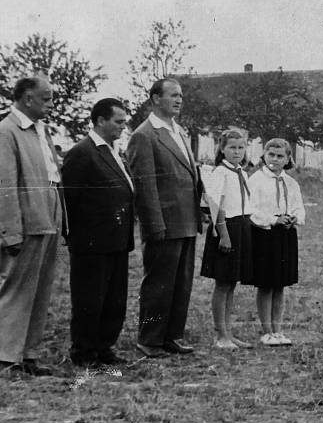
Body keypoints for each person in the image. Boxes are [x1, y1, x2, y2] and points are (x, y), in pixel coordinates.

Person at [127, 78, 203, 358]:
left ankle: (172, 335)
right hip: (164, 223)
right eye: (173, 95)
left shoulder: (179, 132)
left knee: (181, 283)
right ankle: (149, 338)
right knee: (158, 283)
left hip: (186, 221)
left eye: (181, 95)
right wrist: (154, 225)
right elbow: (145, 187)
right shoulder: (144, 135)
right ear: (155, 99)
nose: (179, 100)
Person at [62, 98, 134, 367]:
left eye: (124, 122)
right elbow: (71, 199)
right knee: (89, 299)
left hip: (116, 239)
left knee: (114, 299)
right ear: (100, 120)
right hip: (92, 242)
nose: (122, 128)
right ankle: (85, 352)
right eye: (118, 122)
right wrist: (80, 237)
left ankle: (104, 347)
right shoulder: (82, 152)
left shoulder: (113, 151)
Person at [0, 77, 63, 375]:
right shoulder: (7, 131)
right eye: (46, 98)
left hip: (48, 211)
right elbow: (5, 186)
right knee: (17, 288)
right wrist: (10, 231)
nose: (51, 105)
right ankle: (5, 356)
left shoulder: (41, 130)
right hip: (26, 218)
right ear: (27, 99)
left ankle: (28, 354)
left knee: (41, 287)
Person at [247, 138, 305, 347]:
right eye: (271, 155)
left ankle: (277, 330)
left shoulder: (291, 182)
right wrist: (273, 219)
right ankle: (266, 330)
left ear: (288, 158)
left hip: (285, 235)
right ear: (264, 155)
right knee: (266, 284)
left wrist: (294, 217)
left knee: (280, 284)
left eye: (280, 156)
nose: (274, 159)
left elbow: (298, 205)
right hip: (265, 235)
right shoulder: (256, 180)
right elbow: (251, 209)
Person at [200, 129, 253, 350]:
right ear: (222, 149)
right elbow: (216, 207)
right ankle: (220, 335)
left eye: (241, 147)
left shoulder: (242, 172)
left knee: (232, 283)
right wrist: (224, 235)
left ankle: (229, 333)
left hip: (241, 225)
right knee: (222, 283)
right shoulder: (220, 173)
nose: (237, 152)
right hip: (226, 228)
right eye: (232, 147)